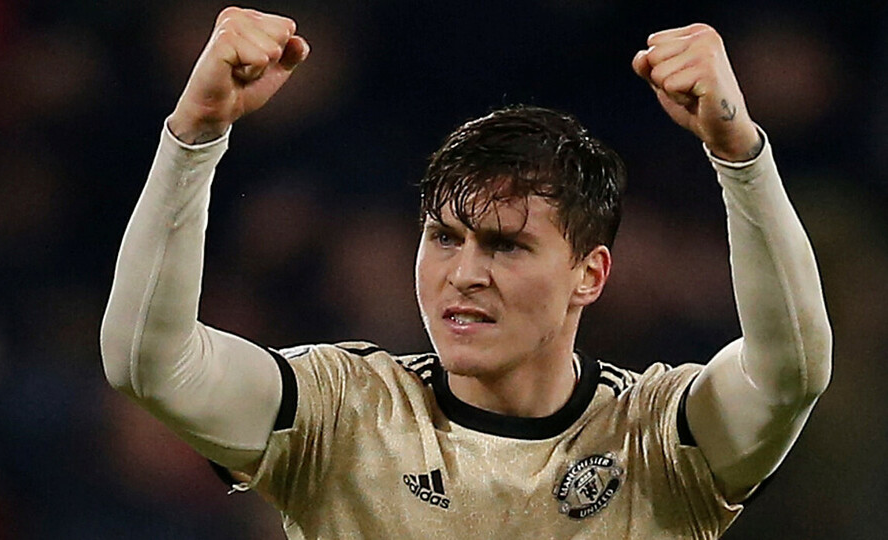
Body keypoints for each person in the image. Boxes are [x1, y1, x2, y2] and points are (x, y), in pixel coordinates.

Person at [100, 7, 831, 539]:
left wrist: (740, 155)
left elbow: (791, 371)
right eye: (444, 239)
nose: (464, 273)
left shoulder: (656, 438)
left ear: (589, 274)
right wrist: (195, 134)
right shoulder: (343, 413)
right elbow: (149, 363)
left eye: (506, 246)